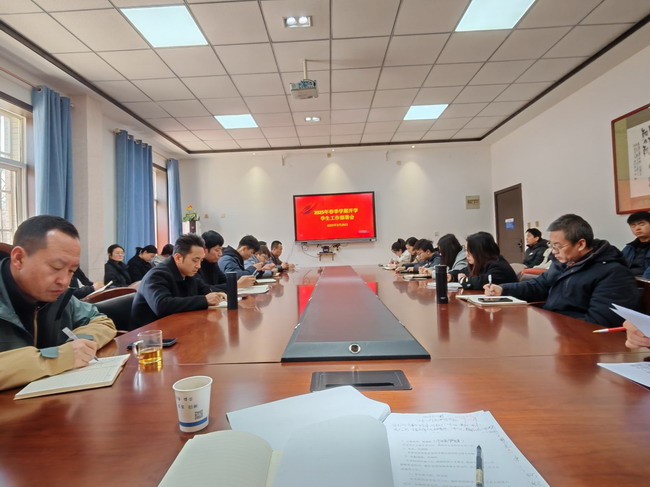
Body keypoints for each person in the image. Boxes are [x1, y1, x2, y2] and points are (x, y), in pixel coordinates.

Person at [0, 215, 116, 391]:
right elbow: (63, 356)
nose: (64, 281)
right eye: (56, 267)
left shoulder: (57, 297)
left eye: (71, 271)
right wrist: (60, 357)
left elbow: (102, 321)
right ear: (19, 258)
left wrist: (81, 343)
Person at [484, 214, 640, 326]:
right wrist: (502, 289)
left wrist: (553, 326)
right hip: (555, 329)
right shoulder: (564, 262)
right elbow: (539, 285)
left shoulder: (612, 273)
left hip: (581, 341)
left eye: (558, 246)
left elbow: (599, 323)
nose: (553, 252)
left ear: (581, 244)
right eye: (551, 246)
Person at [130, 234, 226, 329]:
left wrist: (217, 294)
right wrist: (204, 300)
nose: (198, 266)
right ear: (178, 258)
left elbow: (203, 288)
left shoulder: (188, 272)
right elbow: (162, 306)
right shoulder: (156, 275)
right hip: (150, 333)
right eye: (195, 260)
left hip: (177, 326)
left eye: (201, 261)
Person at [621, 211, 650, 278]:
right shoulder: (629, 248)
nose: (637, 228)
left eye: (641, 224)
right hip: (628, 281)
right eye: (633, 226)